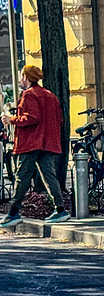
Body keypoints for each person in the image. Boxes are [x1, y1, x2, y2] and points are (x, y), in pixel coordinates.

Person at [0, 65, 69, 228]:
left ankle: (13, 212)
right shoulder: (50, 95)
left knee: (22, 176)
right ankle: (60, 209)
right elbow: (59, 119)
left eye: (21, 76)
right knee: (49, 176)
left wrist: (12, 119)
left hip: (31, 143)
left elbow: (32, 118)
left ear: (26, 77)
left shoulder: (29, 95)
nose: (20, 80)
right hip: (48, 143)